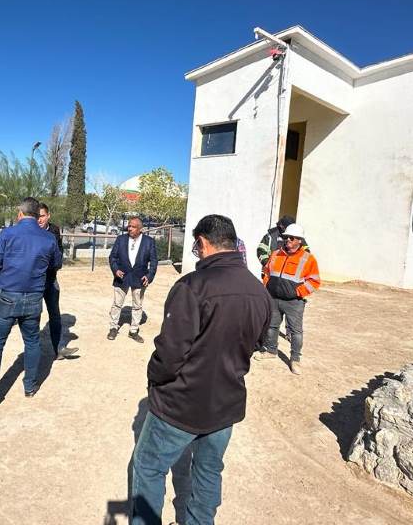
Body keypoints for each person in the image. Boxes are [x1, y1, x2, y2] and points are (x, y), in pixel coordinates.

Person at [131, 215, 271, 525]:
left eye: (196, 246)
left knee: (149, 466)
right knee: (209, 470)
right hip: (226, 403)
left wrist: (155, 379)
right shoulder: (259, 290)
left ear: (203, 243)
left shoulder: (192, 286)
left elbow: (169, 354)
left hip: (181, 403)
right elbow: (260, 342)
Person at [0, 197, 62, 412]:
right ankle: (30, 386)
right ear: (38, 215)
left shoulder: (8, 234)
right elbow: (57, 263)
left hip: (8, 295)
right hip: (34, 296)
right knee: (32, 342)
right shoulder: (48, 238)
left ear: (20, 213)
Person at [255, 223, 320, 375]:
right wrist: (267, 286)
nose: (288, 240)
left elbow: (314, 280)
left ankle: (295, 360)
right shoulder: (276, 254)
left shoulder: (308, 259)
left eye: (292, 238)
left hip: (294, 302)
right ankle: (271, 351)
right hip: (273, 299)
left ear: (300, 240)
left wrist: (298, 292)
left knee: (296, 332)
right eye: (286, 237)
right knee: (272, 326)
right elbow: (266, 271)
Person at [107, 217, 158, 343]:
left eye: (133, 226)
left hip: (140, 278)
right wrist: (115, 270)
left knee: (137, 305)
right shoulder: (121, 239)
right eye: (129, 226)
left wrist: (149, 276)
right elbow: (112, 257)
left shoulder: (149, 242)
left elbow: (154, 261)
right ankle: (113, 327)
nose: (129, 228)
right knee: (117, 303)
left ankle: (133, 331)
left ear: (140, 229)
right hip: (122, 276)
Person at [37, 203, 78, 359]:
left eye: (42, 216)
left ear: (48, 216)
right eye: (37, 216)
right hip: (35, 281)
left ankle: (58, 349)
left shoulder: (54, 230)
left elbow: (59, 251)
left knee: (55, 314)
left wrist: (55, 264)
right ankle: (34, 351)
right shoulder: (31, 231)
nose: (39, 219)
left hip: (51, 278)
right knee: (34, 315)